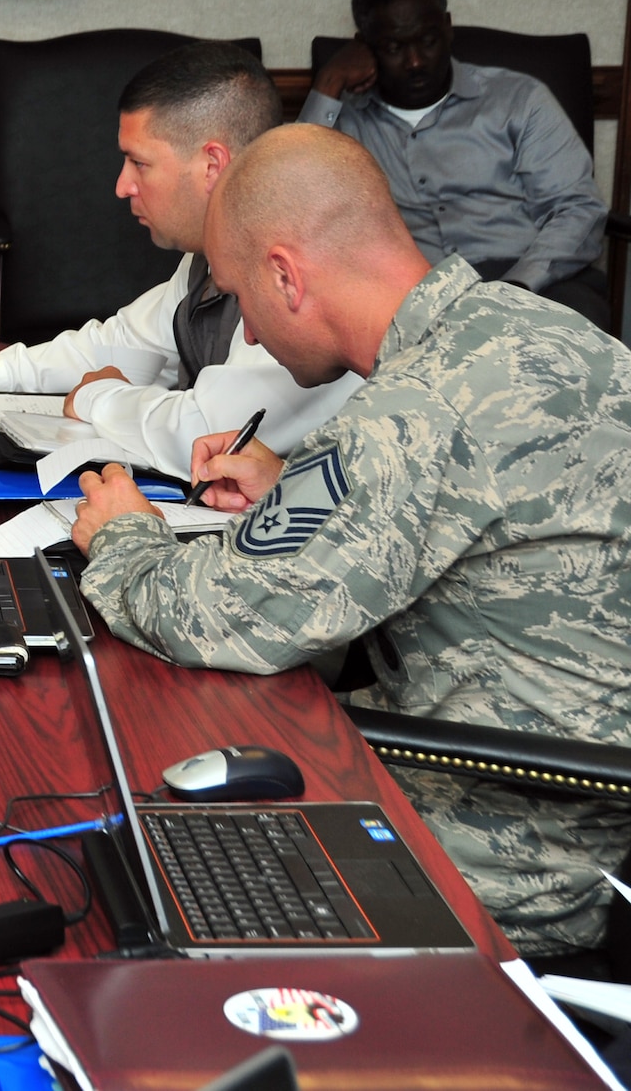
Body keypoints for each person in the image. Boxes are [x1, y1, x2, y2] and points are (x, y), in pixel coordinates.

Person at [68, 123, 631, 964]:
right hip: (577, 777)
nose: (249, 336)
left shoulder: (411, 413)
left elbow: (218, 616)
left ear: (287, 276)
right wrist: (293, 475)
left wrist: (122, 536)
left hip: (512, 839)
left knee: (114, 833)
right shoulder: (527, 330)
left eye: (242, 298)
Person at [0, 41, 360, 480]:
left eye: (138, 163)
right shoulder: (206, 260)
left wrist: (99, 397)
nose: (123, 186)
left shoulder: (297, 272)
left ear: (212, 164)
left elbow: (208, 434)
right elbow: (115, 345)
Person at [301, 0, 609, 327]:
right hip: (413, 293)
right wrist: (329, 82)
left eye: (428, 41)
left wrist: (516, 287)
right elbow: (293, 203)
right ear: (363, 48)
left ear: (448, 28)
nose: (415, 62)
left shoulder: (518, 99)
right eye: (394, 47)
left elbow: (577, 210)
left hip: (530, 279)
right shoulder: (346, 123)